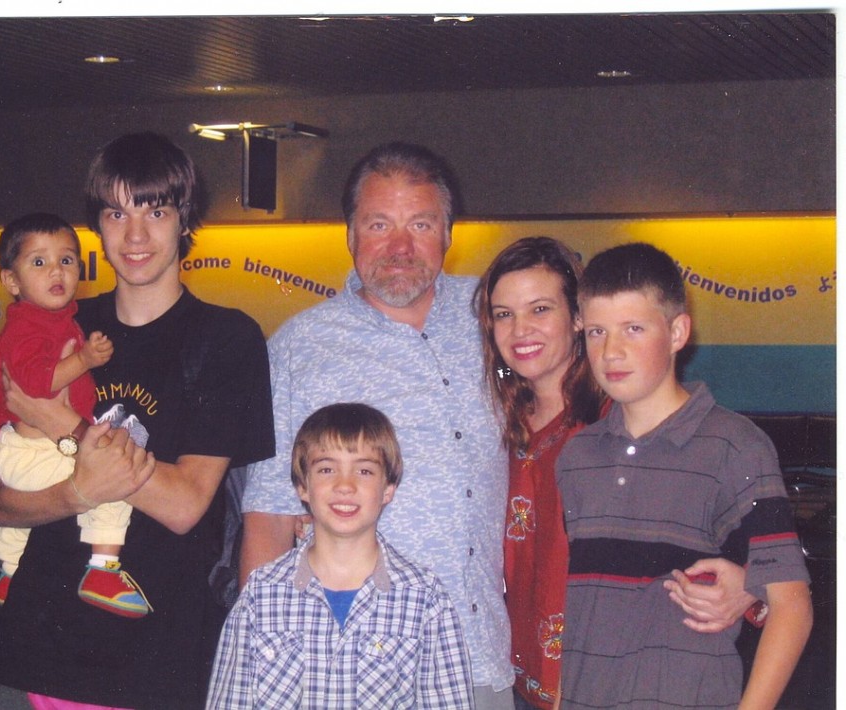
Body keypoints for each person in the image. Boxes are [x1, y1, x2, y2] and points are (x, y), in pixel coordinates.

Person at [0, 132, 275, 709]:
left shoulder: (225, 339)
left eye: (156, 211)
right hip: (37, 645)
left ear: (184, 221)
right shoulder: (54, 326)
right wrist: (78, 490)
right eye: (117, 213)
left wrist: (65, 425)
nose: (135, 235)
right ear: (97, 225)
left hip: (156, 658)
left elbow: (184, 504)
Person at [240, 142, 516, 708]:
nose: (400, 246)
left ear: (447, 233)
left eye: (420, 223)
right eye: (378, 224)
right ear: (349, 235)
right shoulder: (299, 348)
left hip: (480, 660)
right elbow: (268, 520)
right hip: (349, 666)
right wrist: (266, 671)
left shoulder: (494, 318)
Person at [473, 236, 760, 710]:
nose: (520, 329)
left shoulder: (623, 418)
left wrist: (748, 586)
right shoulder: (494, 423)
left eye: (540, 309)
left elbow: (748, 550)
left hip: (612, 682)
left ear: (578, 318)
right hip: (517, 678)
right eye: (503, 314)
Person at [555, 242, 813, 708]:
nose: (611, 351)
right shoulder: (577, 457)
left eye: (633, 328)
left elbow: (791, 607)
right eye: (596, 331)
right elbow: (575, 611)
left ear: (677, 332)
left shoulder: (737, 446)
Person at [208, 402, 475, 708]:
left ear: (388, 488)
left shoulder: (425, 598)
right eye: (326, 469)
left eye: (364, 470)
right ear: (302, 486)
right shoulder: (261, 594)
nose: (345, 485)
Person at [0, 212, 151, 618]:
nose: (56, 270)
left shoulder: (56, 320)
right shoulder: (27, 326)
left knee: (22, 516)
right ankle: (103, 570)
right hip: (33, 450)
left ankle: (9, 573)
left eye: (67, 260)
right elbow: (37, 385)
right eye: (38, 262)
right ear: (11, 281)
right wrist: (85, 358)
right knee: (112, 487)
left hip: (28, 450)